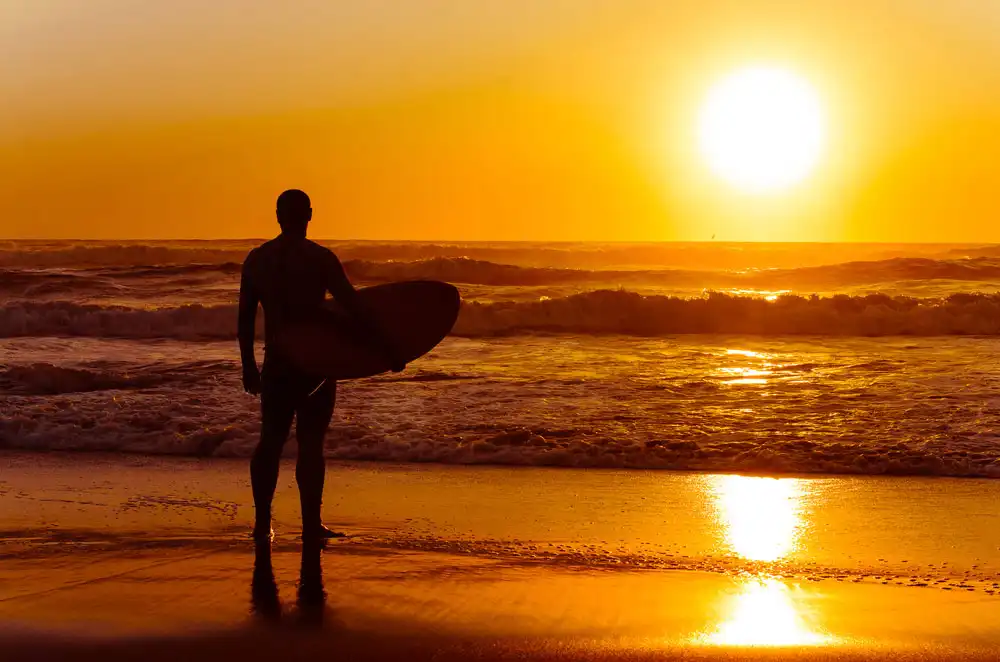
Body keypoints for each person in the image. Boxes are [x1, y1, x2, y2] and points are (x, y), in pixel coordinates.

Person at [239, 189, 403, 542]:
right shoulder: (321, 259)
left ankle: (261, 523)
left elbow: (244, 320)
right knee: (310, 444)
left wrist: (248, 367)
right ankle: (311, 526)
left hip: (278, 363)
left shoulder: (257, 260)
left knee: (271, 440)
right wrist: (388, 349)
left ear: (278, 216)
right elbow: (354, 309)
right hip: (316, 365)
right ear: (310, 214)